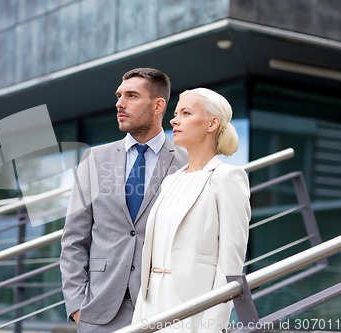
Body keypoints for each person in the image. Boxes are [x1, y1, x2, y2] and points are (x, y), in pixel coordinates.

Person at [60, 68, 188, 332]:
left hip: (164, 309)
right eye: (119, 96)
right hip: (98, 311)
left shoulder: (186, 162)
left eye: (131, 96)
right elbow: (73, 239)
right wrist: (76, 306)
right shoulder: (95, 159)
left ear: (158, 105)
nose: (120, 103)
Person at [131, 88, 251, 332]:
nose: (174, 120)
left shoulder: (228, 178)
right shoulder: (171, 181)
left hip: (193, 308)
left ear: (212, 123)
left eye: (186, 113)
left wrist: (212, 326)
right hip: (152, 303)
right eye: (176, 113)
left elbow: (230, 265)